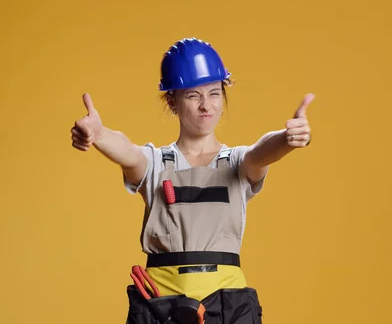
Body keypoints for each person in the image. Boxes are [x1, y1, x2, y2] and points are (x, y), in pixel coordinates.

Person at [71, 37, 313, 324]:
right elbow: (129, 153)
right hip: (160, 302)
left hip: (228, 305)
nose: (206, 106)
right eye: (193, 96)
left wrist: (287, 139)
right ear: (172, 102)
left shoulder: (237, 162)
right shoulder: (156, 163)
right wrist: (99, 134)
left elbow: (261, 152)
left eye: (214, 93)